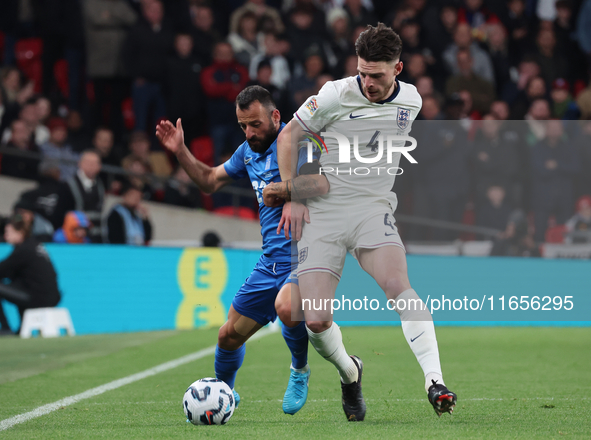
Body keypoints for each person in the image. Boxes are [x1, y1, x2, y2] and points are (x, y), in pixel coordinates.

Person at [263, 22, 457, 421]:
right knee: (314, 318)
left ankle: (434, 381)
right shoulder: (335, 93)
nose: (367, 82)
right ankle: (351, 373)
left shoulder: (413, 102)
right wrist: (292, 194)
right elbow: (289, 137)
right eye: (363, 72)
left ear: (398, 69)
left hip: (373, 209)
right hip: (324, 214)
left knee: (398, 285)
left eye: (377, 75)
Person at [156, 86, 310, 415]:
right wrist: (180, 151)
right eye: (243, 126)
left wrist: (291, 193)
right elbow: (210, 180)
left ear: (275, 116)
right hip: (272, 261)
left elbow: (328, 184)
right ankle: (224, 392)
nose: (250, 132)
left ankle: (299, 370)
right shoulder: (247, 152)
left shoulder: (299, 141)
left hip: (309, 257)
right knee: (227, 336)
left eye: (255, 124)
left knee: (286, 308)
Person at [0, 214, 61, 335]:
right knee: (17, 283)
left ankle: (6, 328)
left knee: (14, 285)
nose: (5, 236)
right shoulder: (35, 245)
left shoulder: (24, 250)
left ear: (20, 232)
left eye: (8, 232)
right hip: (52, 296)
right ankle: (22, 328)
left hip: (39, 298)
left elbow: (3, 269)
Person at [104, 181, 152, 245]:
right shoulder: (116, 214)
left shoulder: (137, 216)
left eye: (138, 197)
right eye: (133, 195)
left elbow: (147, 238)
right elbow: (115, 239)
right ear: (125, 196)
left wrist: (145, 218)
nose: (136, 199)